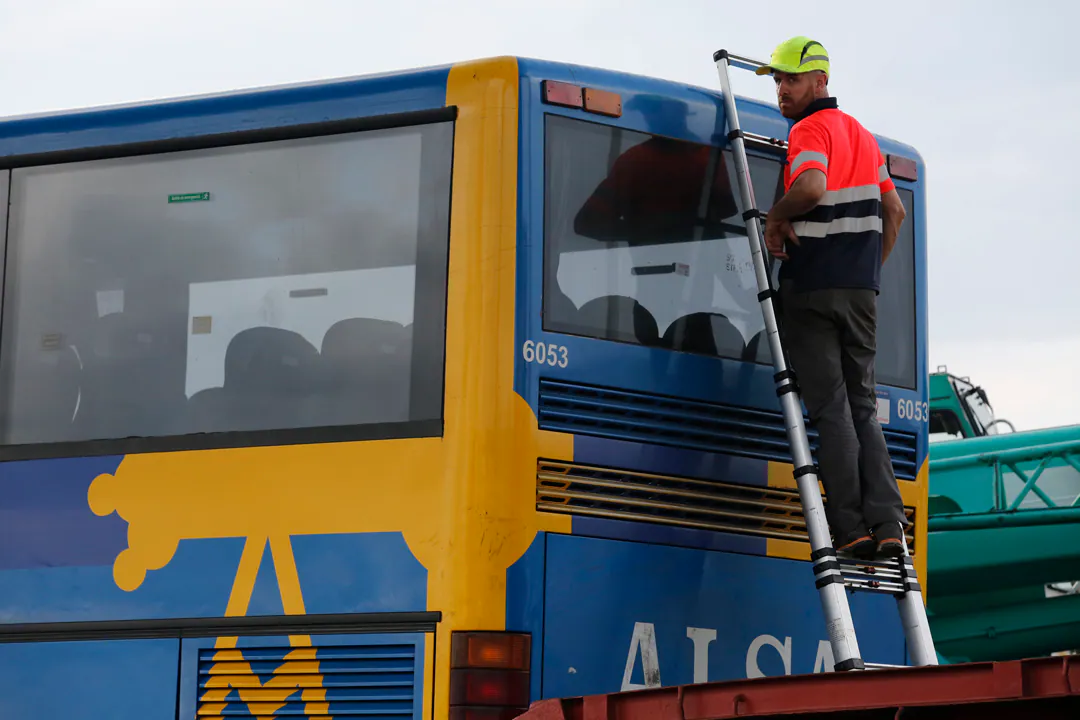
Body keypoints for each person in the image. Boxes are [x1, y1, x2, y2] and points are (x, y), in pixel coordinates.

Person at [756, 36, 909, 559]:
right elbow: (896, 215)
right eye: (776, 80)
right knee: (864, 408)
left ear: (820, 81)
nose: (782, 89)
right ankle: (889, 524)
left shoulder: (809, 130)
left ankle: (851, 530)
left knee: (832, 410)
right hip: (860, 293)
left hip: (813, 291)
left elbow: (813, 187)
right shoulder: (864, 138)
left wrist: (775, 218)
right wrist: (867, 272)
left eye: (790, 79)